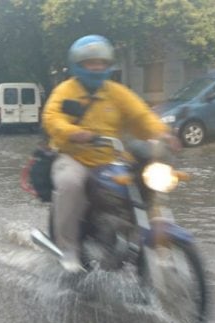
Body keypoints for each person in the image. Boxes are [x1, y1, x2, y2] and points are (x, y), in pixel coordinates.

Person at [42, 34, 179, 273]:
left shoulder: (117, 92)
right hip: (74, 157)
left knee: (142, 182)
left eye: (101, 62)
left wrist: (163, 134)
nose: (96, 67)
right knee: (71, 183)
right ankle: (69, 248)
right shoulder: (66, 90)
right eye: (90, 62)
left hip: (110, 158)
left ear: (108, 65)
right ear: (78, 65)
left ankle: (141, 239)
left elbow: (141, 116)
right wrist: (73, 132)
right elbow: (51, 117)